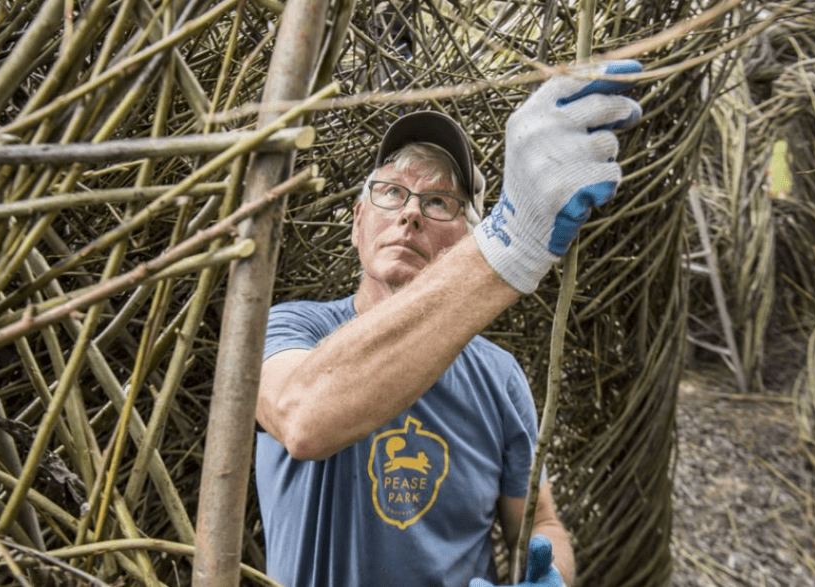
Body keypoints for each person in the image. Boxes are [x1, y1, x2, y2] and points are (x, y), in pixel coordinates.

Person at [254, 60, 644, 587]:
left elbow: (540, 518)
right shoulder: (288, 329)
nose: (409, 214)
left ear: (466, 237)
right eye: (391, 192)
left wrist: (552, 573)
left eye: (439, 202)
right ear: (358, 222)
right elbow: (304, 418)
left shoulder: (500, 378)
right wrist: (513, 243)